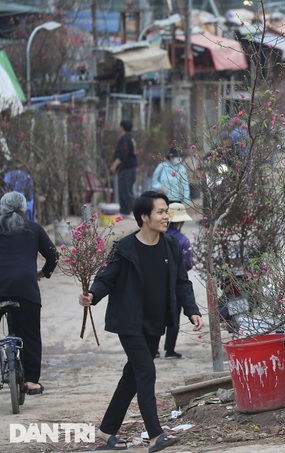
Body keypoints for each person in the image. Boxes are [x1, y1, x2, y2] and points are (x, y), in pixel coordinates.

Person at [78, 191, 202, 452]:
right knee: (146, 371)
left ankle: (106, 431)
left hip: (155, 321)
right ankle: (156, 435)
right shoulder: (124, 248)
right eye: (160, 211)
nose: (166, 216)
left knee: (133, 375)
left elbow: (182, 282)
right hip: (129, 321)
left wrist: (192, 311)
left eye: (166, 211)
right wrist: (92, 294)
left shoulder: (171, 245)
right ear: (144, 217)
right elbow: (106, 277)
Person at [0, 192, 58, 396]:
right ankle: (31, 382)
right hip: (26, 288)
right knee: (30, 335)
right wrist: (43, 273)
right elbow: (52, 255)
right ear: (24, 209)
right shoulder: (33, 228)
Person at [161, 202, 194, 359]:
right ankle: (169, 349)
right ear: (180, 221)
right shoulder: (182, 241)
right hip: (176, 284)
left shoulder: (157, 236)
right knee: (174, 316)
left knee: (156, 314)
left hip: (157, 283)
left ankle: (153, 349)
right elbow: (187, 263)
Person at [110, 120, 138, 217]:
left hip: (127, 168)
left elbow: (122, 154)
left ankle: (135, 211)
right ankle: (125, 211)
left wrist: (114, 165)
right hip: (130, 168)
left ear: (122, 128)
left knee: (126, 190)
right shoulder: (130, 138)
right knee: (124, 189)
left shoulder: (125, 139)